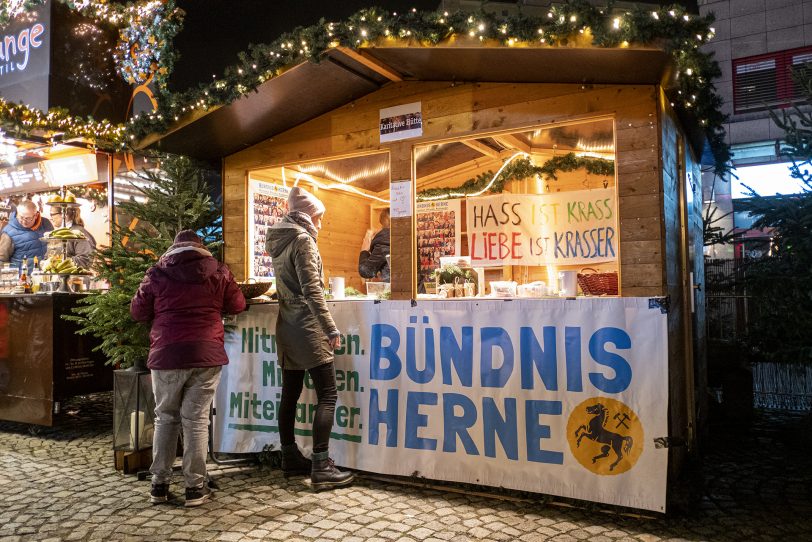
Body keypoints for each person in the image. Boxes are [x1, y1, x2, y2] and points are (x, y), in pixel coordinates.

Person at [130, 230, 246, 507]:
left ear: (173, 248)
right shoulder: (218, 271)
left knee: (165, 418)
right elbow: (238, 304)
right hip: (206, 354)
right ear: (201, 248)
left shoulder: (157, 273)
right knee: (195, 420)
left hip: (167, 354)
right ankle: (195, 487)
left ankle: (159, 485)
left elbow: (137, 312)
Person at [265, 186, 354, 490]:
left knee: (290, 394)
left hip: (286, 324)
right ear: (310, 215)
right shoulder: (303, 241)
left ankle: (290, 458)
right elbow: (312, 290)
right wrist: (330, 328)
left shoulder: (279, 240)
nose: (322, 224)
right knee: (327, 394)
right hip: (307, 327)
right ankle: (322, 466)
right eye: (321, 217)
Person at [0, 200, 53, 273]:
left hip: (45, 276)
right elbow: (2, 259)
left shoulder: (46, 224)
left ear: (36, 215)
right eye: (21, 217)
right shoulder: (9, 232)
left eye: (28, 218)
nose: (24, 221)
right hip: (21, 279)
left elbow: (54, 246)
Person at [358, 207, 390, 281]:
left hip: (398, 290)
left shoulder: (385, 239)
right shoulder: (408, 236)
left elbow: (366, 271)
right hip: (416, 289)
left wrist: (364, 250)